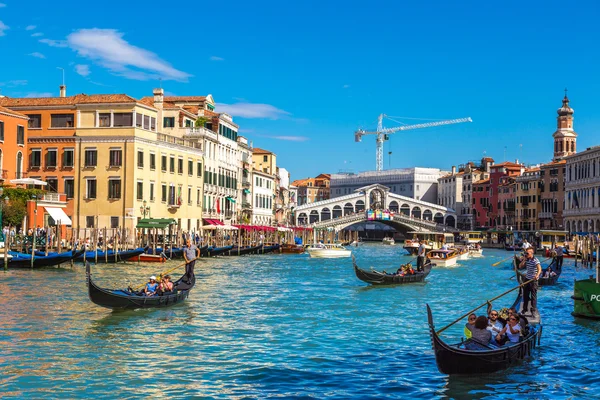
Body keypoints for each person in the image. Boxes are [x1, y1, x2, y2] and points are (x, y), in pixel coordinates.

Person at [519, 247, 542, 316]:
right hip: (527, 279)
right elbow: (520, 267)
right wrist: (524, 260)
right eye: (525, 253)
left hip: (533, 280)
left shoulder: (535, 260)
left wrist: (537, 275)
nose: (526, 254)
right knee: (525, 295)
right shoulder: (527, 259)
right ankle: (525, 309)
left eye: (527, 253)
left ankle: (533, 310)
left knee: (533, 296)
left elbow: (539, 269)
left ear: (532, 253)